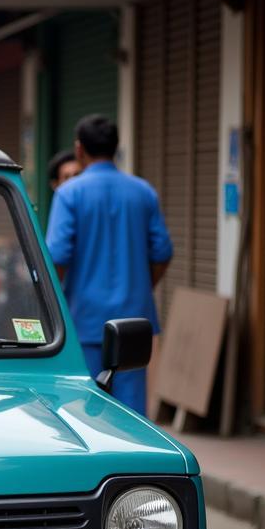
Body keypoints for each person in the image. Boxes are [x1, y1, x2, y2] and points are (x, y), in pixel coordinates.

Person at [46, 115, 173, 416]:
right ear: (116, 147)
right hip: (134, 320)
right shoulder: (143, 191)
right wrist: (142, 285)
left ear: (79, 150)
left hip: (85, 318)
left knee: (86, 410)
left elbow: (57, 258)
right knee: (131, 415)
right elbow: (163, 251)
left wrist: (56, 309)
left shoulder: (70, 193)